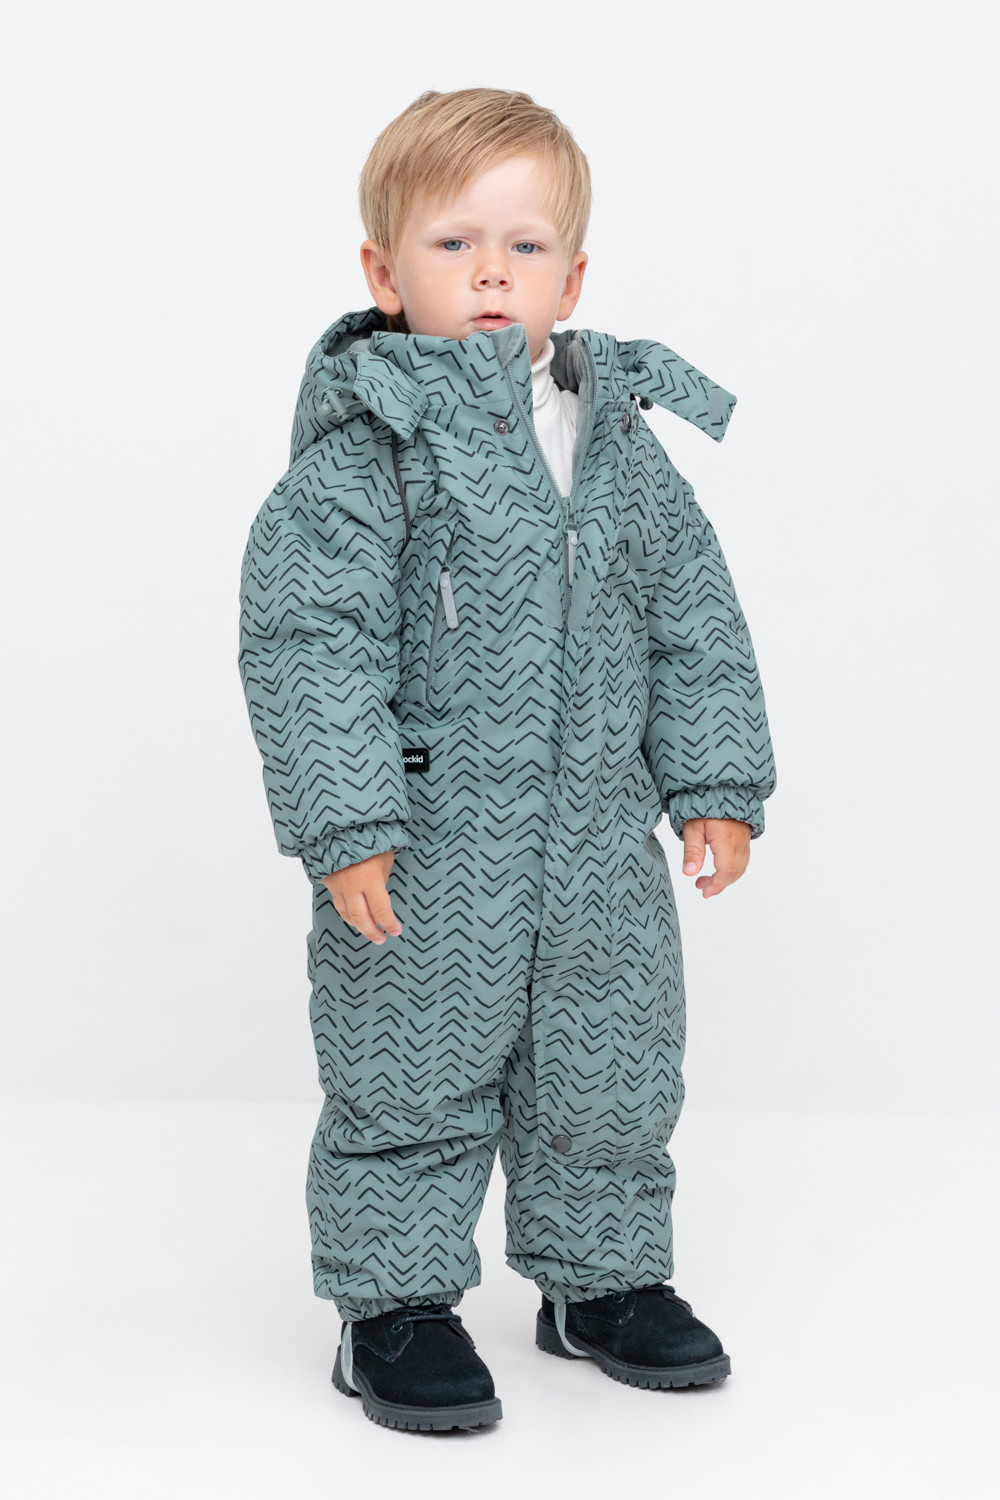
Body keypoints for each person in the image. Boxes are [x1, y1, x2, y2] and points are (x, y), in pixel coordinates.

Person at [238, 87, 776, 1433]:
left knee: (610, 1065)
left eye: (525, 247)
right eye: (454, 243)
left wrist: (714, 785)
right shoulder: (373, 449)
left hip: (598, 842)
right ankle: (393, 1305)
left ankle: (602, 1281)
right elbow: (311, 640)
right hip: (428, 845)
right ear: (384, 274)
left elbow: (694, 620)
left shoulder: (618, 445)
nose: (492, 272)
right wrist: (346, 822)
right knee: (408, 1068)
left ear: (571, 278)